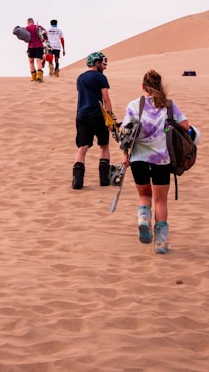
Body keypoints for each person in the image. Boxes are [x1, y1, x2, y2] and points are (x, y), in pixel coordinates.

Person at [119, 70, 192, 254]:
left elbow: (125, 132)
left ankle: (143, 219)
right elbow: (186, 126)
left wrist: (124, 156)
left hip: (138, 158)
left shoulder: (134, 105)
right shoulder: (168, 105)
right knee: (161, 201)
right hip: (161, 159)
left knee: (144, 195)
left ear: (143, 86)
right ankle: (160, 242)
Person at [73, 51, 113, 189]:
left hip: (82, 115)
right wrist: (110, 118)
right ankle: (104, 180)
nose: (105, 64)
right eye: (103, 62)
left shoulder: (80, 78)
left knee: (82, 147)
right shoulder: (101, 77)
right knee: (104, 145)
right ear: (97, 63)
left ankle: (77, 182)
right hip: (97, 115)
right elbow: (106, 99)